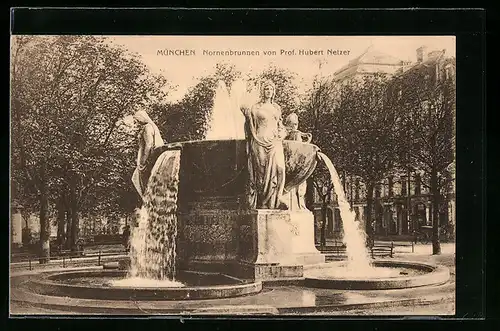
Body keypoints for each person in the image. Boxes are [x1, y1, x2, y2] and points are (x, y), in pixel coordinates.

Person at [240, 80, 287, 209]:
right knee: (261, 173)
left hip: (275, 142)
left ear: (274, 92)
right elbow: (249, 125)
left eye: (271, 89)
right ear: (263, 91)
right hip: (259, 140)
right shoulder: (256, 107)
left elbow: (280, 125)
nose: (269, 92)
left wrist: (283, 133)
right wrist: (247, 116)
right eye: (266, 89)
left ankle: (277, 198)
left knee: (280, 168)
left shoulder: (277, 108)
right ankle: (263, 202)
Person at [131, 110, 165, 198]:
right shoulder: (152, 126)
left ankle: (146, 200)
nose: (137, 122)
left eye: (137, 119)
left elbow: (148, 145)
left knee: (137, 179)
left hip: (147, 158)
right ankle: (149, 200)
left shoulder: (147, 127)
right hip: (151, 156)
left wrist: (143, 161)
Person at [284, 113, 313, 210]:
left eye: (295, 124)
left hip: (297, 165)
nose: (294, 127)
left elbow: (300, 149)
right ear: (287, 124)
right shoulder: (285, 134)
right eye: (291, 124)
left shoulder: (297, 134)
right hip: (289, 165)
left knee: (301, 184)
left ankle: (300, 204)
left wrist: (307, 142)